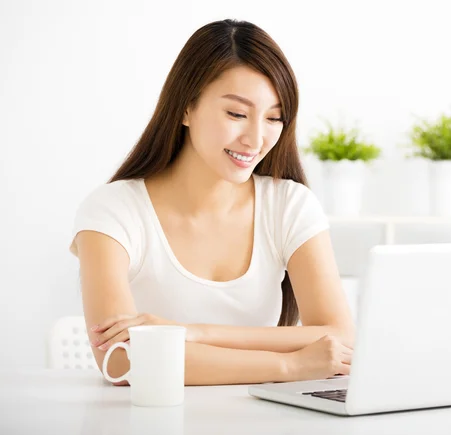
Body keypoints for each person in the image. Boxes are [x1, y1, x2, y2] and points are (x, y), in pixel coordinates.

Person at [69, 19, 354, 386]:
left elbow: (340, 337)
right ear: (186, 108)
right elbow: (121, 361)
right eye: (236, 114)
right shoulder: (113, 211)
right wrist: (290, 365)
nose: (255, 138)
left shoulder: (289, 205)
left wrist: (192, 333)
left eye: (274, 118)